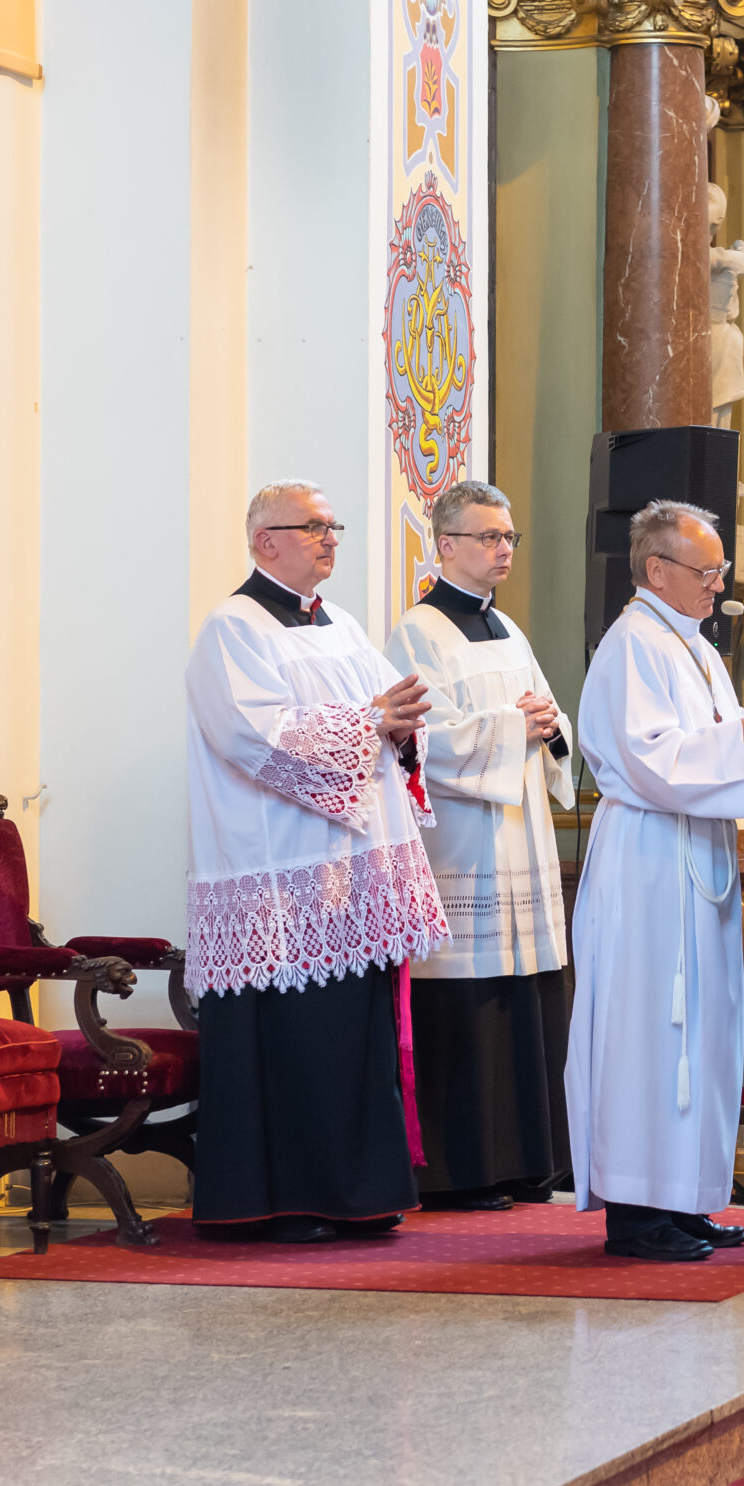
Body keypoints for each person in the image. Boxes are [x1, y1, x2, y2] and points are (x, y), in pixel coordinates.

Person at [184, 480, 449, 1243]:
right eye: (314, 526)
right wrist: (371, 721)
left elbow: (384, 717)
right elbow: (255, 735)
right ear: (265, 540)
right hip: (279, 875)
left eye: (334, 526)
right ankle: (287, 1200)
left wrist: (402, 724)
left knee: (351, 1041)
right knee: (297, 1041)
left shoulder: (343, 624)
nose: (331, 538)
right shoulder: (232, 628)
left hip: (352, 872)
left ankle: (359, 1193)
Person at [568, 500, 744, 1262]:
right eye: (706, 570)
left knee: (701, 1029)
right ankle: (638, 1211)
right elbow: (651, 758)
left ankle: (687, 1197)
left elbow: (726, 753)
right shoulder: (632, 644)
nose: (719, 583)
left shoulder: (697, 648)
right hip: (648, 860)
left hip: (696, 854)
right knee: (650, 1028)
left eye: (720, 569)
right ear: (657, 569)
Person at [383, 481, 574, 1210]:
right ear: (446, 545)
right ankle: (460, 1172)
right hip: (463, 845)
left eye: (508, 537)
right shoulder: (418, 632)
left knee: (524, 997)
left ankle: (527, 1163)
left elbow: (547, 715)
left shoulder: (510, 629)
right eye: (489, 537)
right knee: (469, 1005)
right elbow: (421, 740)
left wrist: (549, 724)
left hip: (521, 837)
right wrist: (512, 727)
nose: (504, 550)